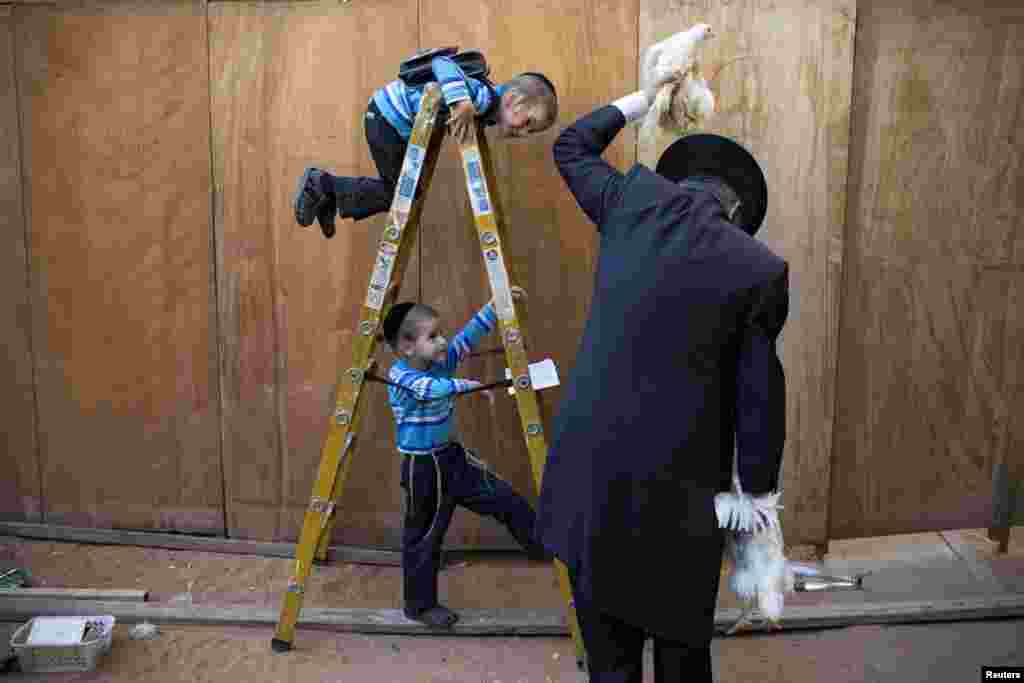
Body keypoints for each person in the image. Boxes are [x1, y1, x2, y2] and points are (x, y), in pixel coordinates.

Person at [533, 69, 789, 682]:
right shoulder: (758, 270)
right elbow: (760, 404)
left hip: (587, 481)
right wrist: (754, 500)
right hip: (679, 501)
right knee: (681, 652)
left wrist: (648, 97)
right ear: (737, 210)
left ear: (679, 187)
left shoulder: (629, 204)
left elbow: (570, 145)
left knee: (610, 660)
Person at [379, 289, 550, 629]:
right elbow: (430, 389)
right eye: (433, 336)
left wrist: (494, 307)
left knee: (504, 497)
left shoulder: (441, 361)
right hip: (423, 469)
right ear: (408, 347)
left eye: (440, 333)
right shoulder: (401, 377)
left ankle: (543, 547)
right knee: (424, 537)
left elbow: (467, 337)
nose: (443, 341)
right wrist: (467, 384)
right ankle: (420, 606)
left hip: (452, 458)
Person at [293, 55, 558, 237]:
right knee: (400, 194)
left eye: (530, 132)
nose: (524, 134)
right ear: (514, 100)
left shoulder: (485, 108)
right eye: (528, 124)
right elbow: (442, 63)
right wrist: (462, 103)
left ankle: (331, 198)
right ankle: (323, 186)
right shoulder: (479, 95)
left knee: (406, 192)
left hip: (390, 122)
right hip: (386, 119)